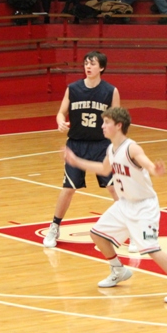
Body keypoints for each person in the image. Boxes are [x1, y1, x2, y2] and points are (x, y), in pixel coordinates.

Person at [63, 106, 167, 304]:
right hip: (124, 204)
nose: (102, 126)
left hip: (144, 207)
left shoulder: (131, 148)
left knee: (151, 249)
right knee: (96, 234)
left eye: (106, 122)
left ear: (119, 125)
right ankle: (118, 270)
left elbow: (146, 163)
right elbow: (103, 169)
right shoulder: (111, 149)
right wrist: (76, 161)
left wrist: (155, 170)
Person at [43, 51, 120, 248]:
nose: (88, 66)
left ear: (101, 67)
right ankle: (54, 226)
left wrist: (114, 137)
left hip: (101, 146)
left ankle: (132, 229)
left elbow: (117, 119)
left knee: (114, 188)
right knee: (68, 188)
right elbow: (61, 112)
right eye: (86, 63)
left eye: (92, 63)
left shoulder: (111, 91)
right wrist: (60, 121)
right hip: (76, 144)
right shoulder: (73, 89)